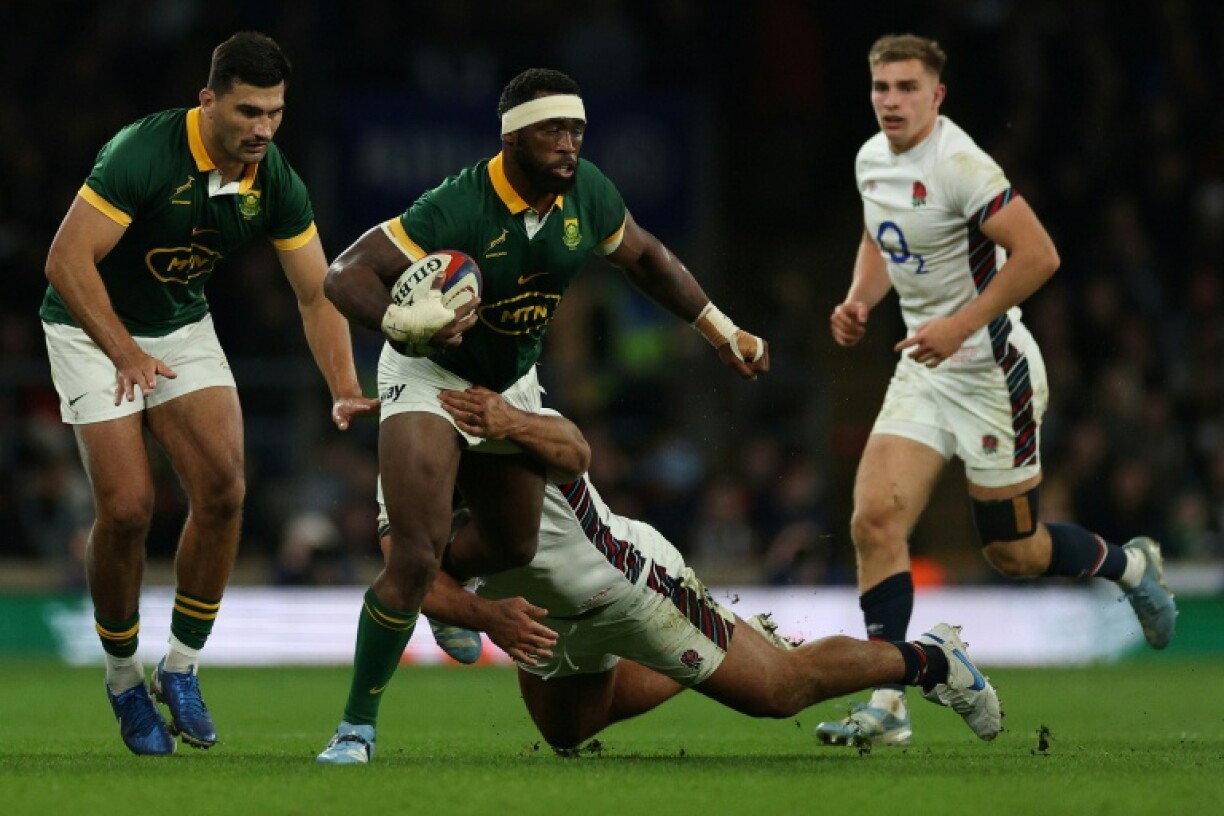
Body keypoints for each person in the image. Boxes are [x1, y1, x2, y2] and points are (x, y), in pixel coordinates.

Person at [317, 67, 770, 757]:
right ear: (513, 138)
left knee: (512, 545)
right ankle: (355, 729)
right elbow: (342, 273)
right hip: (428, 375)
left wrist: (719, 328)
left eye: (578, 131)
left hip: (510, 383)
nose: (569, 145)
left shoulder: (588, 193)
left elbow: (647, 259)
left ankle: (455, 577)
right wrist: (401, 324)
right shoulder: (458, 205)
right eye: (554, 131)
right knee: (412, 556)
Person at [315, 386, 1000, 763]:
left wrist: (514, 421)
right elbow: (407, 574)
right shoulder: (403, 460)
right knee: (564, 735)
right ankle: (713, 648)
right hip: (542, 620)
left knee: (780, 692)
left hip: (630, 586)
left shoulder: (508, 412)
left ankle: (930, 660)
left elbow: (575, 451)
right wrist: (485, 615)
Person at [816, 33, 1177, 747]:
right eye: (881, 87)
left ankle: (1133, 564)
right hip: (923, 366)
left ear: (936, 95)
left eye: (907, 88)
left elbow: (1039, 254)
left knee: (1014, 553)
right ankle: (889, 704)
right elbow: (878, 236)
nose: (891, 100)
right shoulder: (869, 159)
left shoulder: (960, 164)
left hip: (991, 371)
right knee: (874, 521)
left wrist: (958, 324)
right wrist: (859, 299)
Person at [40, 32, 377, 756]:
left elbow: (316, 294)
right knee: (127, 509)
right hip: (87, 325)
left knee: (225, 491)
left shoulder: (274, 179)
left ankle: (181, 668)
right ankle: (124, 679)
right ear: (208, 101)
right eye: (248, 111)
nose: (262, 128)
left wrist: (345, 385)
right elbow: (66, 260)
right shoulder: (145, 153)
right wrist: (124, 353)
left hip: (180, 326)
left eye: (276, 113)